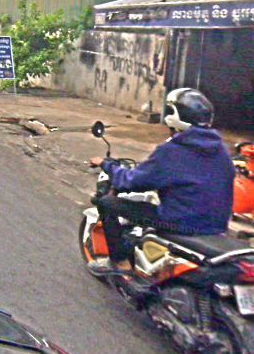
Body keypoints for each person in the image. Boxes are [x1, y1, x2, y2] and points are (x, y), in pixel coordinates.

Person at [88, 87, 235, 277]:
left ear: (176, 117)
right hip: (217, 225)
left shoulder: (173, 150)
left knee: (107, 203)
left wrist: (106, 165)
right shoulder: (221, 150)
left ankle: (118, 262)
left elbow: (133, 181)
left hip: (180, 223)